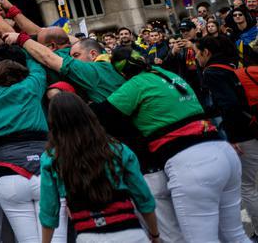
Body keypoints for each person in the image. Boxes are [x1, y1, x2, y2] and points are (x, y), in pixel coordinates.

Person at [108, 45, 249, 243]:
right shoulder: (165, 73)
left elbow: (103, 116)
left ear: (122, 72)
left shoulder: (134, 85)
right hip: (221, 149)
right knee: (235, 235)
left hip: (191, 162)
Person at [0, 38, 65, 243]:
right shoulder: (31, 86)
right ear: (22, 73)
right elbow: (37, 64)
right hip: (45, 169)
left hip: (7, 175)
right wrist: (17, 44)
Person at [39, 93, 159, 243]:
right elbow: (143, 198)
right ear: (87, 114)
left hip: (88, 237)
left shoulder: (51, 159)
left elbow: (49, 212)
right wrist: (155, 235)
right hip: (132, 234)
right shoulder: (118, 150)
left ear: (53, 122)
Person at [196, 34, 258, 232]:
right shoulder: (233, 64)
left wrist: (230, 137)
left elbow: (229, 105)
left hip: (242, 133)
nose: (196, 57)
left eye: (198, 52)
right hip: (254, 124)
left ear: (207, 52)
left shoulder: (212, 72)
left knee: (249, 186)